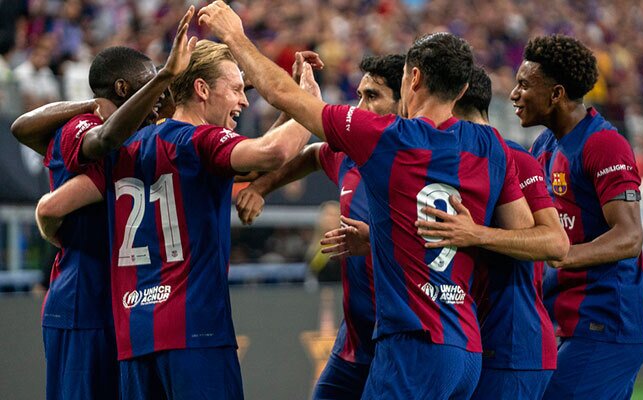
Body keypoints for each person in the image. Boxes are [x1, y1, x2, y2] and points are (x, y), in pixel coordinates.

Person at [198, 3, 535, 397]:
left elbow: (282, 95)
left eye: (371, 95)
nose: (362, 103)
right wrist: (473, 233)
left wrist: (235, 36)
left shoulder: (387, 138)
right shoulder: (490, 144)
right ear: (462, 90)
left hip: (413, 341)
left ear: (413, 77)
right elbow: (527, 234)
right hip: (465, 348)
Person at [35, 39, 320, 399]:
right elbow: (274, 150)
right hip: (195, 331)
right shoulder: (202, 144)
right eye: (235, 89)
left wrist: (56, 236)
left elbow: (49, 203)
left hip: (134, 337)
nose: (244, 100)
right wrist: (306, 100)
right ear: (201, 89)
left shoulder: (124, 148)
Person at [322, 66, 566, 400]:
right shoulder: (452, 160)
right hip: (472, 341)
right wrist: (378, 238)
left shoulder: (510, 157)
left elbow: (555, 243)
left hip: (512, 346)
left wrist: (476, 233)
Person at [11, 8, 197, 400]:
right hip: (82, 303)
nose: (159, 95)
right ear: (124, 89)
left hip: (118, 303)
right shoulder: (84, 128)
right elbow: (94, 145)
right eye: (149, 85)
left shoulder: (136, 140)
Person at [235, 54, 405, 399]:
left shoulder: (416, 158)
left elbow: (443, 242)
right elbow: (314, 154)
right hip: (354, 339)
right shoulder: (349, 154)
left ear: (405, 103)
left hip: (402, 335)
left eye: (372, 97)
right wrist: (261, 187)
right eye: (359, 95)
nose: (359, 107)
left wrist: (376, 241)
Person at [510, 34, 643, 399]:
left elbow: (629, 236)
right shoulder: (544, 147)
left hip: (609, 323)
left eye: (524, 84)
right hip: (571, 323)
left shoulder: (604, 145)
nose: (514, 93)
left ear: (557, 94)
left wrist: (560, 253)